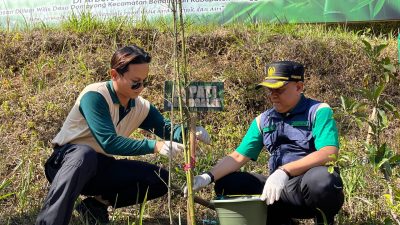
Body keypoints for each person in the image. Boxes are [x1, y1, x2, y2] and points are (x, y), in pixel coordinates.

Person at [36, 45, 211, 225]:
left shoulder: (140, 106)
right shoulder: (95, 96)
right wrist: (155, 146)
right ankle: (50, 221)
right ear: (114, 75)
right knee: (84, 154)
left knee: (160, 179)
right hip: (66, 163)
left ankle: (95, 206)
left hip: (100, 167)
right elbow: (108, 142)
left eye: (145, 81)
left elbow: (167, 128)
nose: (140, 87)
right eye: (135, 82)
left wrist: (190, 133)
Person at [187, 61, 344, 225]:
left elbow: (329, 153)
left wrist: (285, 171)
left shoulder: (318, 111)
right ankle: (279, 221)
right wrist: (207, 177)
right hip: (275, 191)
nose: (273, 95)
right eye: (270, 90)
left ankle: (324, 221)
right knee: (228, 183)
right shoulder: (264, 120)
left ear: (298, 87)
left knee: (323, 179)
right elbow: (239, 156)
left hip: (305, 188)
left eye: (279, 90)